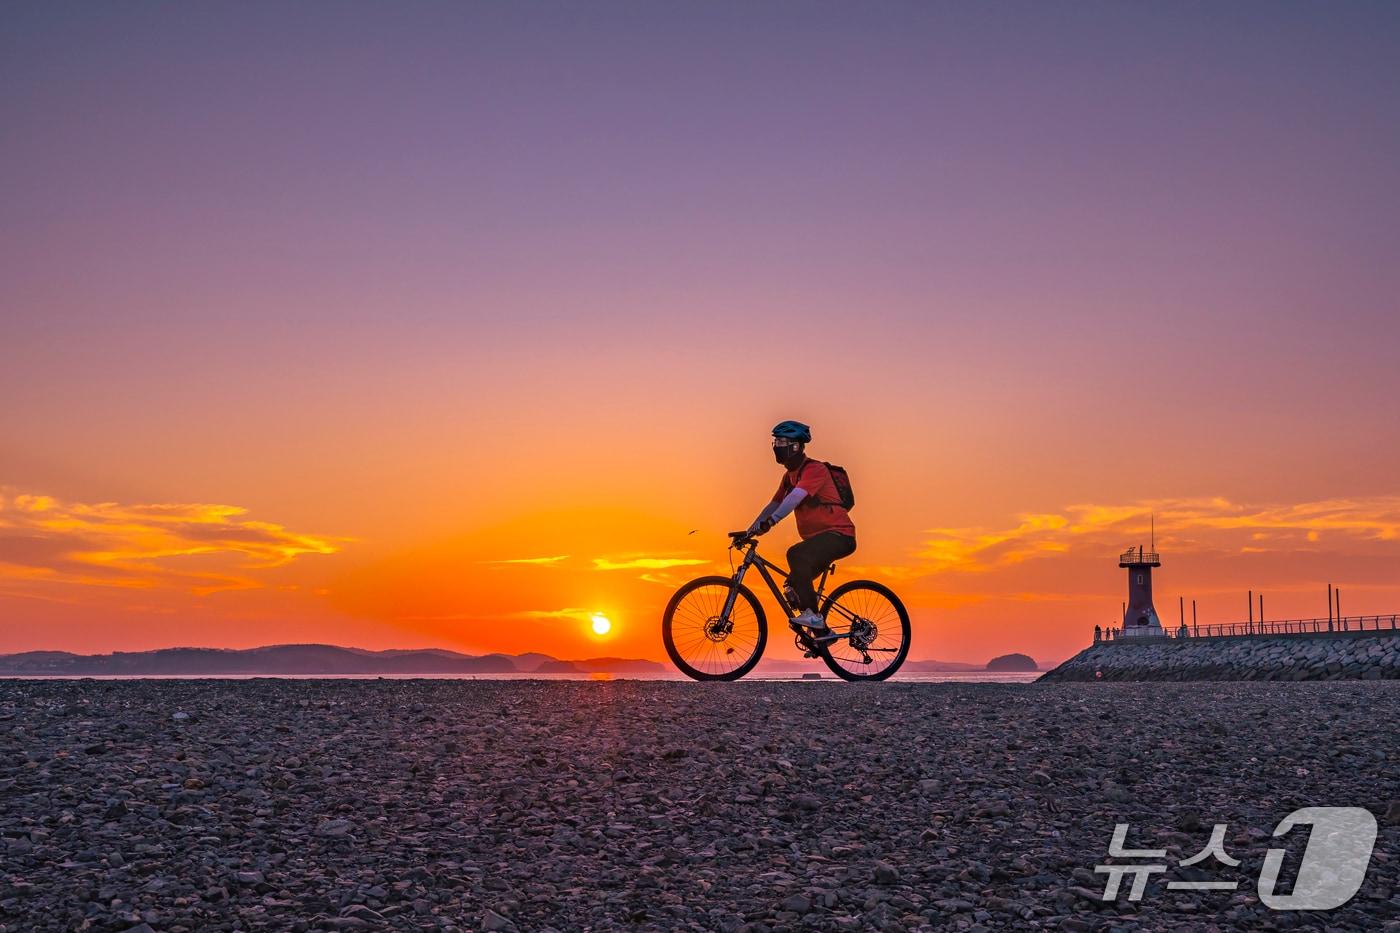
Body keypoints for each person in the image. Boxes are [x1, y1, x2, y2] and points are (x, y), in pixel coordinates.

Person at [743, 420, 856, 635]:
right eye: (775, 441)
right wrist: (750, 530)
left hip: (839, 535)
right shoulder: (788, 477)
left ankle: (813, 616)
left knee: (795, 555)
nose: (777, 446)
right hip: (818, 540)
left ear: (796, 446)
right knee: (793, 587)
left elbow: (794, 498)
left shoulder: (814, 469)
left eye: (782, 441)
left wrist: (771, 522)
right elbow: (774, 503)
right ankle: (823, 636)